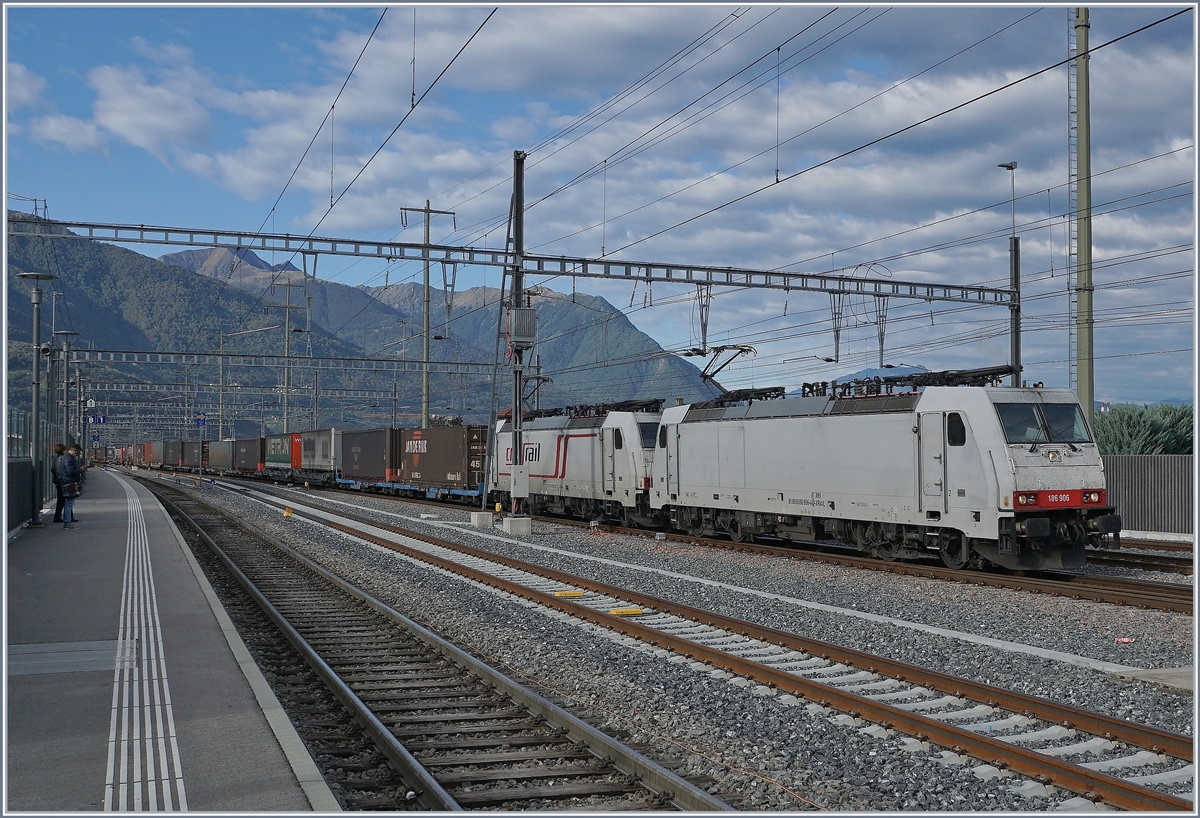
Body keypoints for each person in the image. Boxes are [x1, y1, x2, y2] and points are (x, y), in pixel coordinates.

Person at [58, 446, 82, 530]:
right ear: (73, 450)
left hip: (68, 482)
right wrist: (80, 469)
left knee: (69, 503)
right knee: (69, 503)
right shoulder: (68, 459)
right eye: (77, 452)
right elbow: (69, 472)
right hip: (69, 482)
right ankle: (67, 523)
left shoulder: (67, 457)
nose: (77, 454)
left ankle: (67, 522)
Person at [50, 443, 66, 524]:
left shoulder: (54, 458)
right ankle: (58, 517)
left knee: (61, 499)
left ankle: (59, 517)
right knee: (63, 500)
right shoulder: (62, 458)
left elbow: (52, 469)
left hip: (57, 480)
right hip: (62, 481)